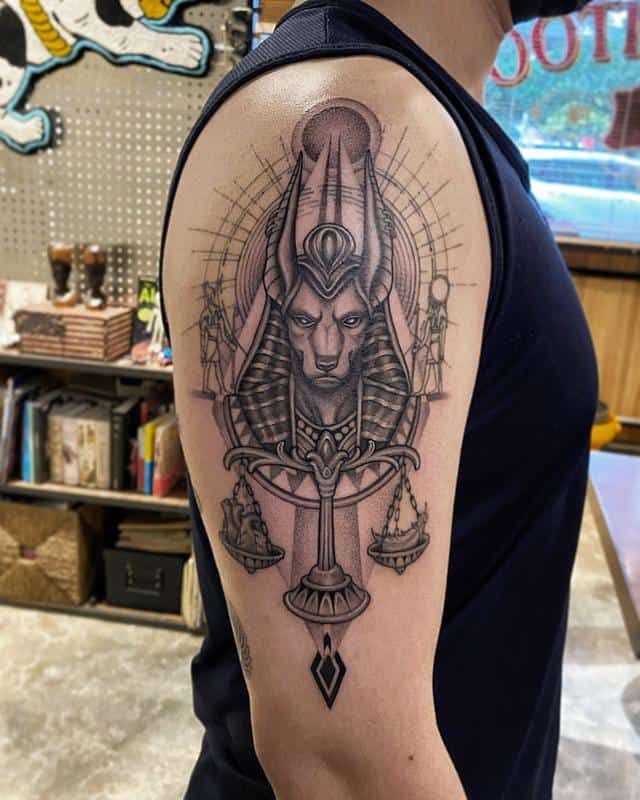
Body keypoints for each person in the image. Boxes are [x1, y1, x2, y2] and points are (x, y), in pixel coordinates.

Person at [160, 1, 597, 798]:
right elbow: (341, 761)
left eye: (351, 321)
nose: (328, 349)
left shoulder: (440, 123)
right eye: (306, 321)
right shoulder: (337, 102)